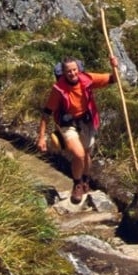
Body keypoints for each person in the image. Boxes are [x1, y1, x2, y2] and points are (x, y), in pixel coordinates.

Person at [37, 55, 118, 204]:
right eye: (69, 71)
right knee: (79, 154)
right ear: (64, 72)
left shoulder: (87, 78)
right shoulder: (59, 89)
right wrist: (41, 137)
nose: (72, 74)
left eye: (74, 70)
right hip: (68, 124)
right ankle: (77, 184)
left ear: (78, 70)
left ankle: (86, 180)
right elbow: (46, 113)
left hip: (87, 122)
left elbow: (113, 79)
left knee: (86, 153)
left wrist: (114, 65)